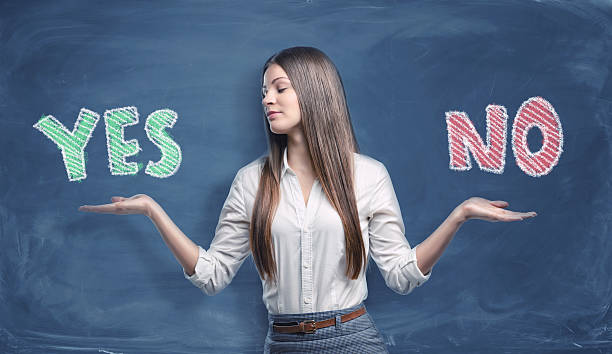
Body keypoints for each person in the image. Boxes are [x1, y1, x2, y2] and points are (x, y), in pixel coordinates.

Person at [79, 46, 537, 353]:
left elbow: (400, 276)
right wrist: (153, 211)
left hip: (353, 338)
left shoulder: (369, 175)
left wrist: (458, 216)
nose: (267, 100)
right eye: (264, 92)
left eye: (280, 87)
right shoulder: (249, 182)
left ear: (314, 91)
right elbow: (213, 276)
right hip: (281, 342)